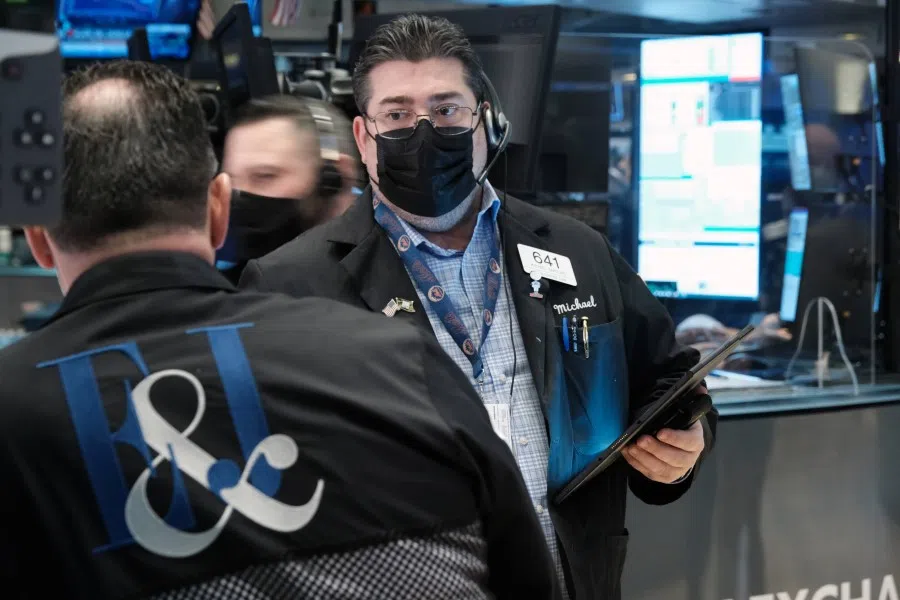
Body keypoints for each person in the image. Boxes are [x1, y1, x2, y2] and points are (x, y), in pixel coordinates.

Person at [0, 60, 555, 600]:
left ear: (38, 238)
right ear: (220, 208)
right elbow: (528, 575)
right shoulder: (403, 358)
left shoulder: (15, 415)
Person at [241, 14, 717, 600]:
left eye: (446, 110)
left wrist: (685, 444)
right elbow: (264, 489)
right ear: (363, 138)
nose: (424, 131)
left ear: (484, 122)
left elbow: (669, 378)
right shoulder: (291, 284)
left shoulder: (575, 249)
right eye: (397, 115)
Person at [217, 95, 362, 282]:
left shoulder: (386, 276)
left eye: (264, 176)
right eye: (231, 180)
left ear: (334, 178)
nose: (239, 193)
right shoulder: (229, 279)